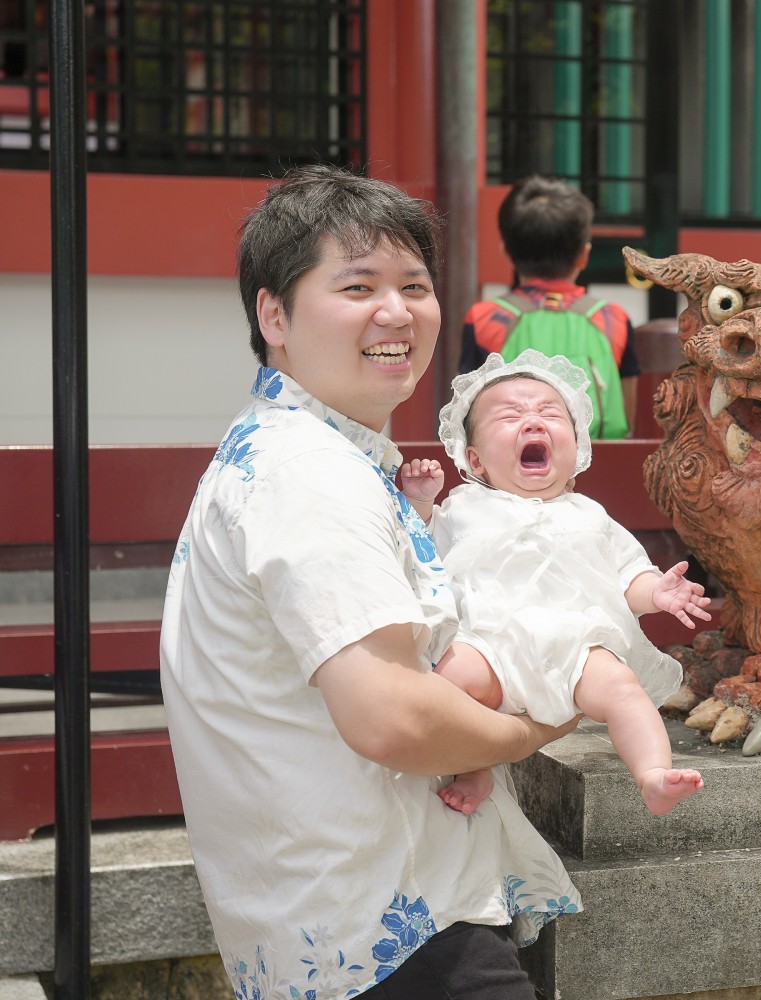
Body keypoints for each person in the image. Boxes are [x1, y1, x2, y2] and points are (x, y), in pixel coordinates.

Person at [160, 165, 582, 1000]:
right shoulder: (308, 475)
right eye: (357, 285)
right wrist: (540, 722)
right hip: (394, 935)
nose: (396, 312)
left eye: (414, 285)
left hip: (345, 927)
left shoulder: (293, 451)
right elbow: (391, 717)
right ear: (272, 314)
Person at [398, 349, 709, 817]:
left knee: (625, 690)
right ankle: (475, 768)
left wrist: (656, 592)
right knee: (446, 682)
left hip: (577, 645)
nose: (532, 422)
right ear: (476, 460)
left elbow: (627, 574)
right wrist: (421, 504)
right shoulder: (463, 507)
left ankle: (652, 774)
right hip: (488, 642)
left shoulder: (589, 515)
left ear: (576, 450)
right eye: (510, 415)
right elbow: (425, 553)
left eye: (549, 413)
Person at [457, 175, 640, 439]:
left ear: (506, 251)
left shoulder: (484, 319)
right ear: (584, 255)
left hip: (510, 470)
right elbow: (625, 418)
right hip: (598, 465)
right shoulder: (613, 319)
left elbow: (467, 414)